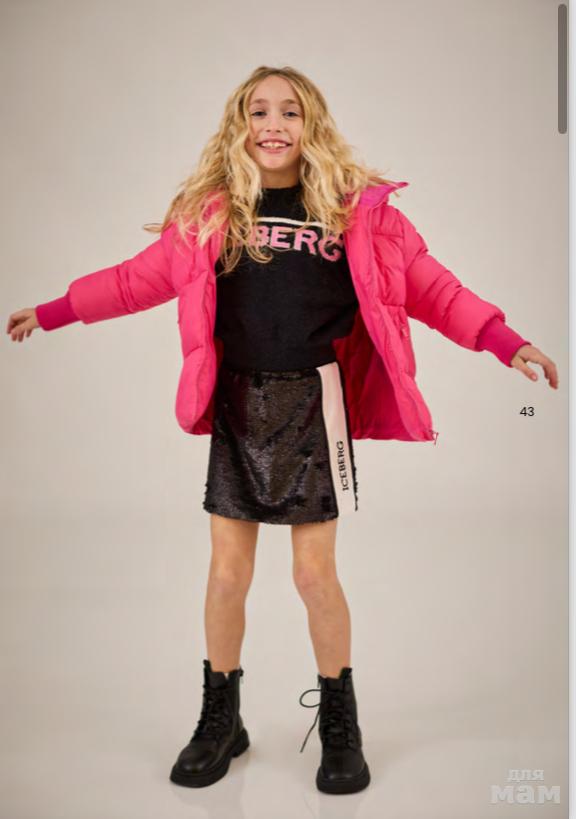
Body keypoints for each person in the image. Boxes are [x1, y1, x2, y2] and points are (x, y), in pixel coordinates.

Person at [6, 65, 558, 796]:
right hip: (238, 402)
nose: (273, 124)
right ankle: (221, 718)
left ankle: (340, 722)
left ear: (311, 124)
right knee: (226, 574)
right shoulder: (212, 216)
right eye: (258, 111)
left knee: (312, 574)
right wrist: (53, 312)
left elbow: (434, 289)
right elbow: (134, 280)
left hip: (312, 404)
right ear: (239, 126)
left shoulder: (360, 215)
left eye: (289, 112)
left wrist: (506, 342)